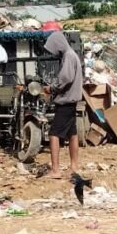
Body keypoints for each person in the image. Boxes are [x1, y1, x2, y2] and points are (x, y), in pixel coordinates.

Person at [44, 30, 83, 178]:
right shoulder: (73, 55)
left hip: (65, 101)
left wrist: (51, 88)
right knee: (72, 134)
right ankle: (74, 166)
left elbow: (65, 78)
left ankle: (55, 170)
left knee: (54, 134)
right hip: (72, 101)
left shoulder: (68, 56)